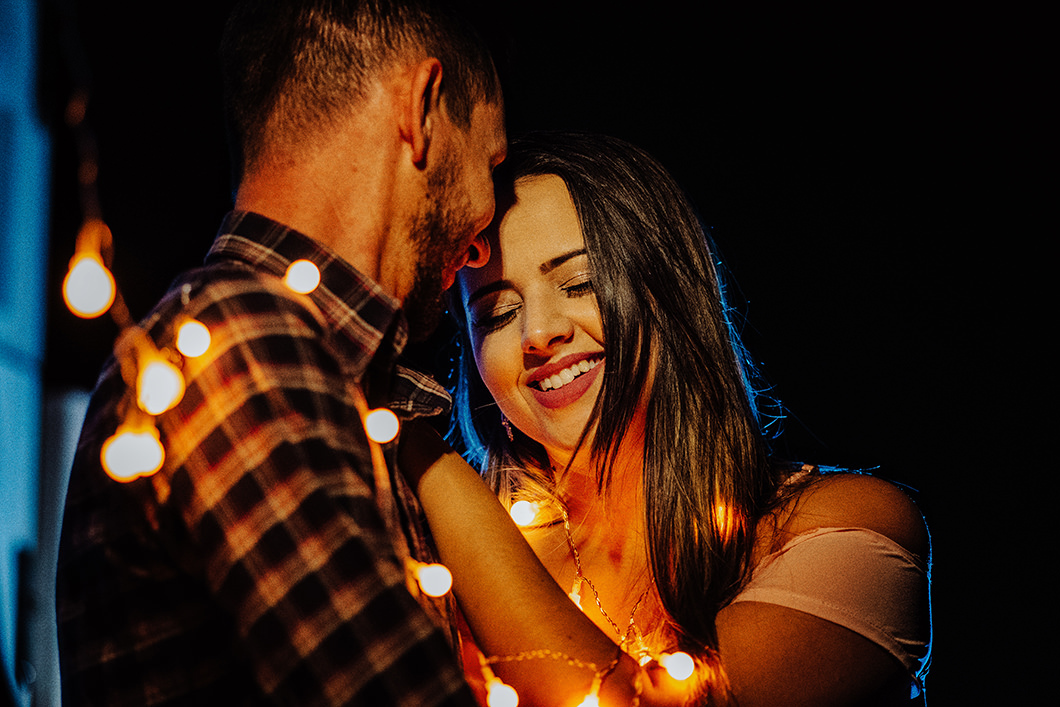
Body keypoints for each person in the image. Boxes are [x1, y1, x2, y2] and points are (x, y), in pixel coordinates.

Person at [55, 1, 506, 705]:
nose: (482, 243)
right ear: (421, 110)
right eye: (492, 162)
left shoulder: (324, 377)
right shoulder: (242, 342)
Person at [399, 131, 932, 706]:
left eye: (579, 283)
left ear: (670, 291)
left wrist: (431, 462)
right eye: (498, 313)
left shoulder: (845, 528)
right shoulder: (436, 559)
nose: (537, 334)